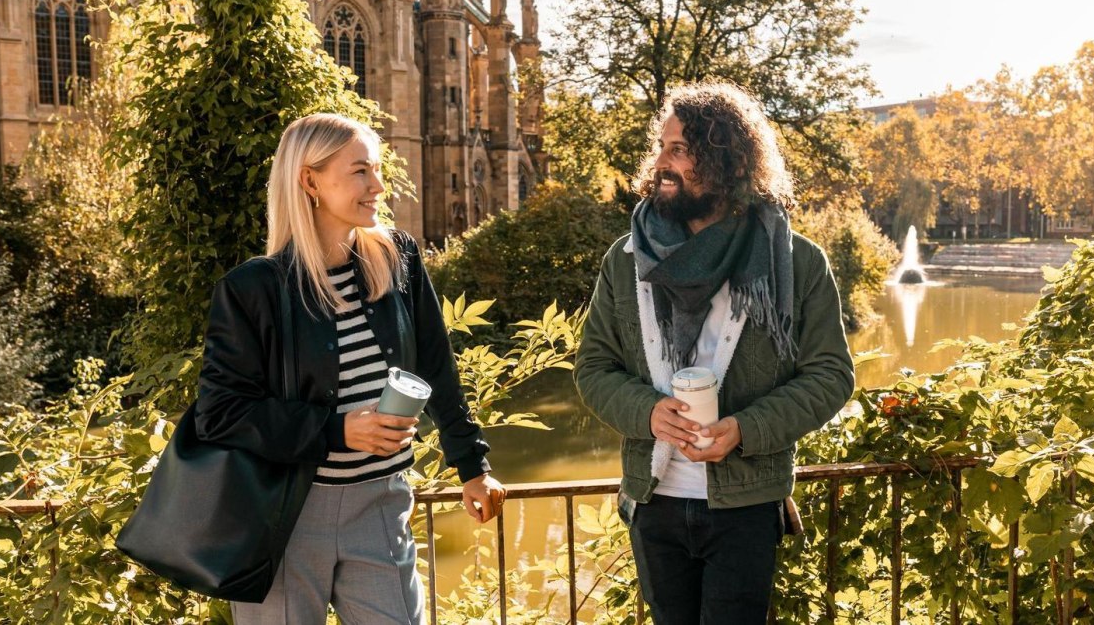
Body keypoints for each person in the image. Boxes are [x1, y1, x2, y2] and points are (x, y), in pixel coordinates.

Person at [193, 113, 506, 624]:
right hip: (284, 517)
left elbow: (435, 364)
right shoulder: (254, 289)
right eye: (361, 171)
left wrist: (472, 465)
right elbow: (221, 414)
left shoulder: (397, 257)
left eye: (377, 169)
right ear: (309, 180)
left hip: (380, 506)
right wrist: (339, 431)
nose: (378, 186)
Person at [573, 82, 853, 624]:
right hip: (654, 502)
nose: (661, 163)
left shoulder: (795, 261)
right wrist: (646, 412)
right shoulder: (628, 257)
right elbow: (593, 368)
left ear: (727, 157)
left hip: (745, 506)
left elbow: (830, 375)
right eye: (662, 146)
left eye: (678, 149)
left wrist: (745, 428)